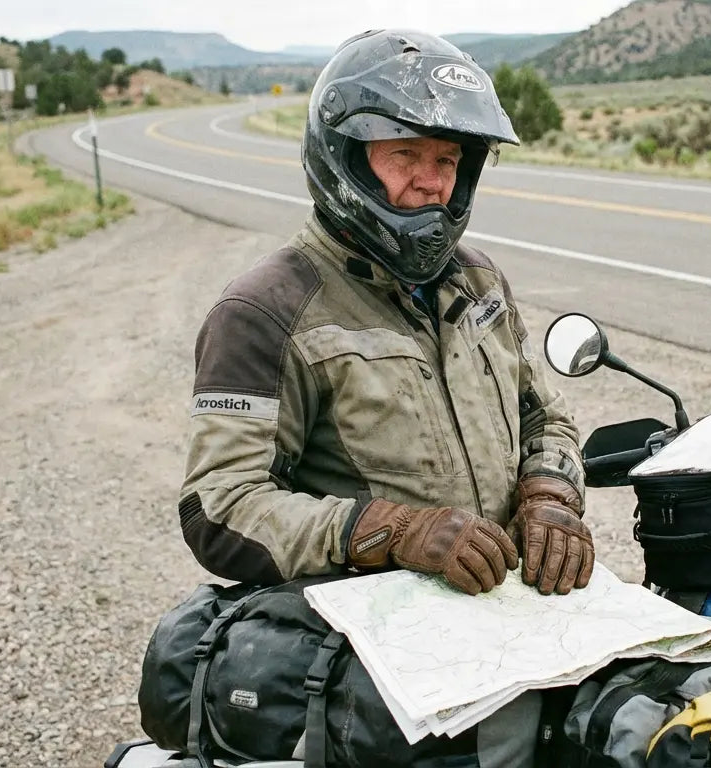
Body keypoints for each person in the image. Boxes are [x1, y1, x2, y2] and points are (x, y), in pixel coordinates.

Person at [176, 29, 593, 597]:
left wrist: (549, 493)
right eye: (405, 155)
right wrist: (388, 531)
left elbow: (545, 418)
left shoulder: (478, 283)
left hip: (502, 612)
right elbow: (222, 507)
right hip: (370, 637)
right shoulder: (264, 313)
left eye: (448, 159)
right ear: (345, 158)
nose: (432, 183)